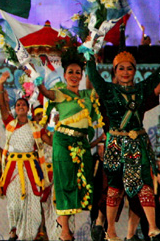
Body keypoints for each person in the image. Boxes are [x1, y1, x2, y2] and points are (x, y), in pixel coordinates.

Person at [86, 47, 160, 241]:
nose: (126, 72)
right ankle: (110, 230)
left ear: (135, 71)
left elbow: (158, 76)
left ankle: (152, 228)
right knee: (115, 188)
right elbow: (93, 76)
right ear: (114, 71)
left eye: (130, 68)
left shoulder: (142, 89)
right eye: (121, 69)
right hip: (115, 146)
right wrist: (88, 55)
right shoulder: (108, 90)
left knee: (144, 184)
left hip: (137, 144)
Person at [34, 48, 103, 241]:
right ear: (64, 75)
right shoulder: (59, 93)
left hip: (81, 143)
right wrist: (38, 83)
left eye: (78, 72)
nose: (74, 75)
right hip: (63, 142)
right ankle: (64, 231)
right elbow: (46, 93)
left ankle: (63, 222)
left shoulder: (87, 95)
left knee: (82, 182)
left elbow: (93, 83)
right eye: (70, 72)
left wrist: (91, 60)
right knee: (64, 182)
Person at [0, 70, 52, 241]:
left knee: (33, 202)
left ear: (28, 109)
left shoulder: (36, 128)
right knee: (14, 203)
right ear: (15, 109)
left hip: (31, 170)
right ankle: (14, 229)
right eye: (18, 105)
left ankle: (28, 234)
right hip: (13, 168)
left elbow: (49, 141)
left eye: (23, 105)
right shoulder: (10, 123)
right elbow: (2, 107)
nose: (20, 107)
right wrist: (0, 84)